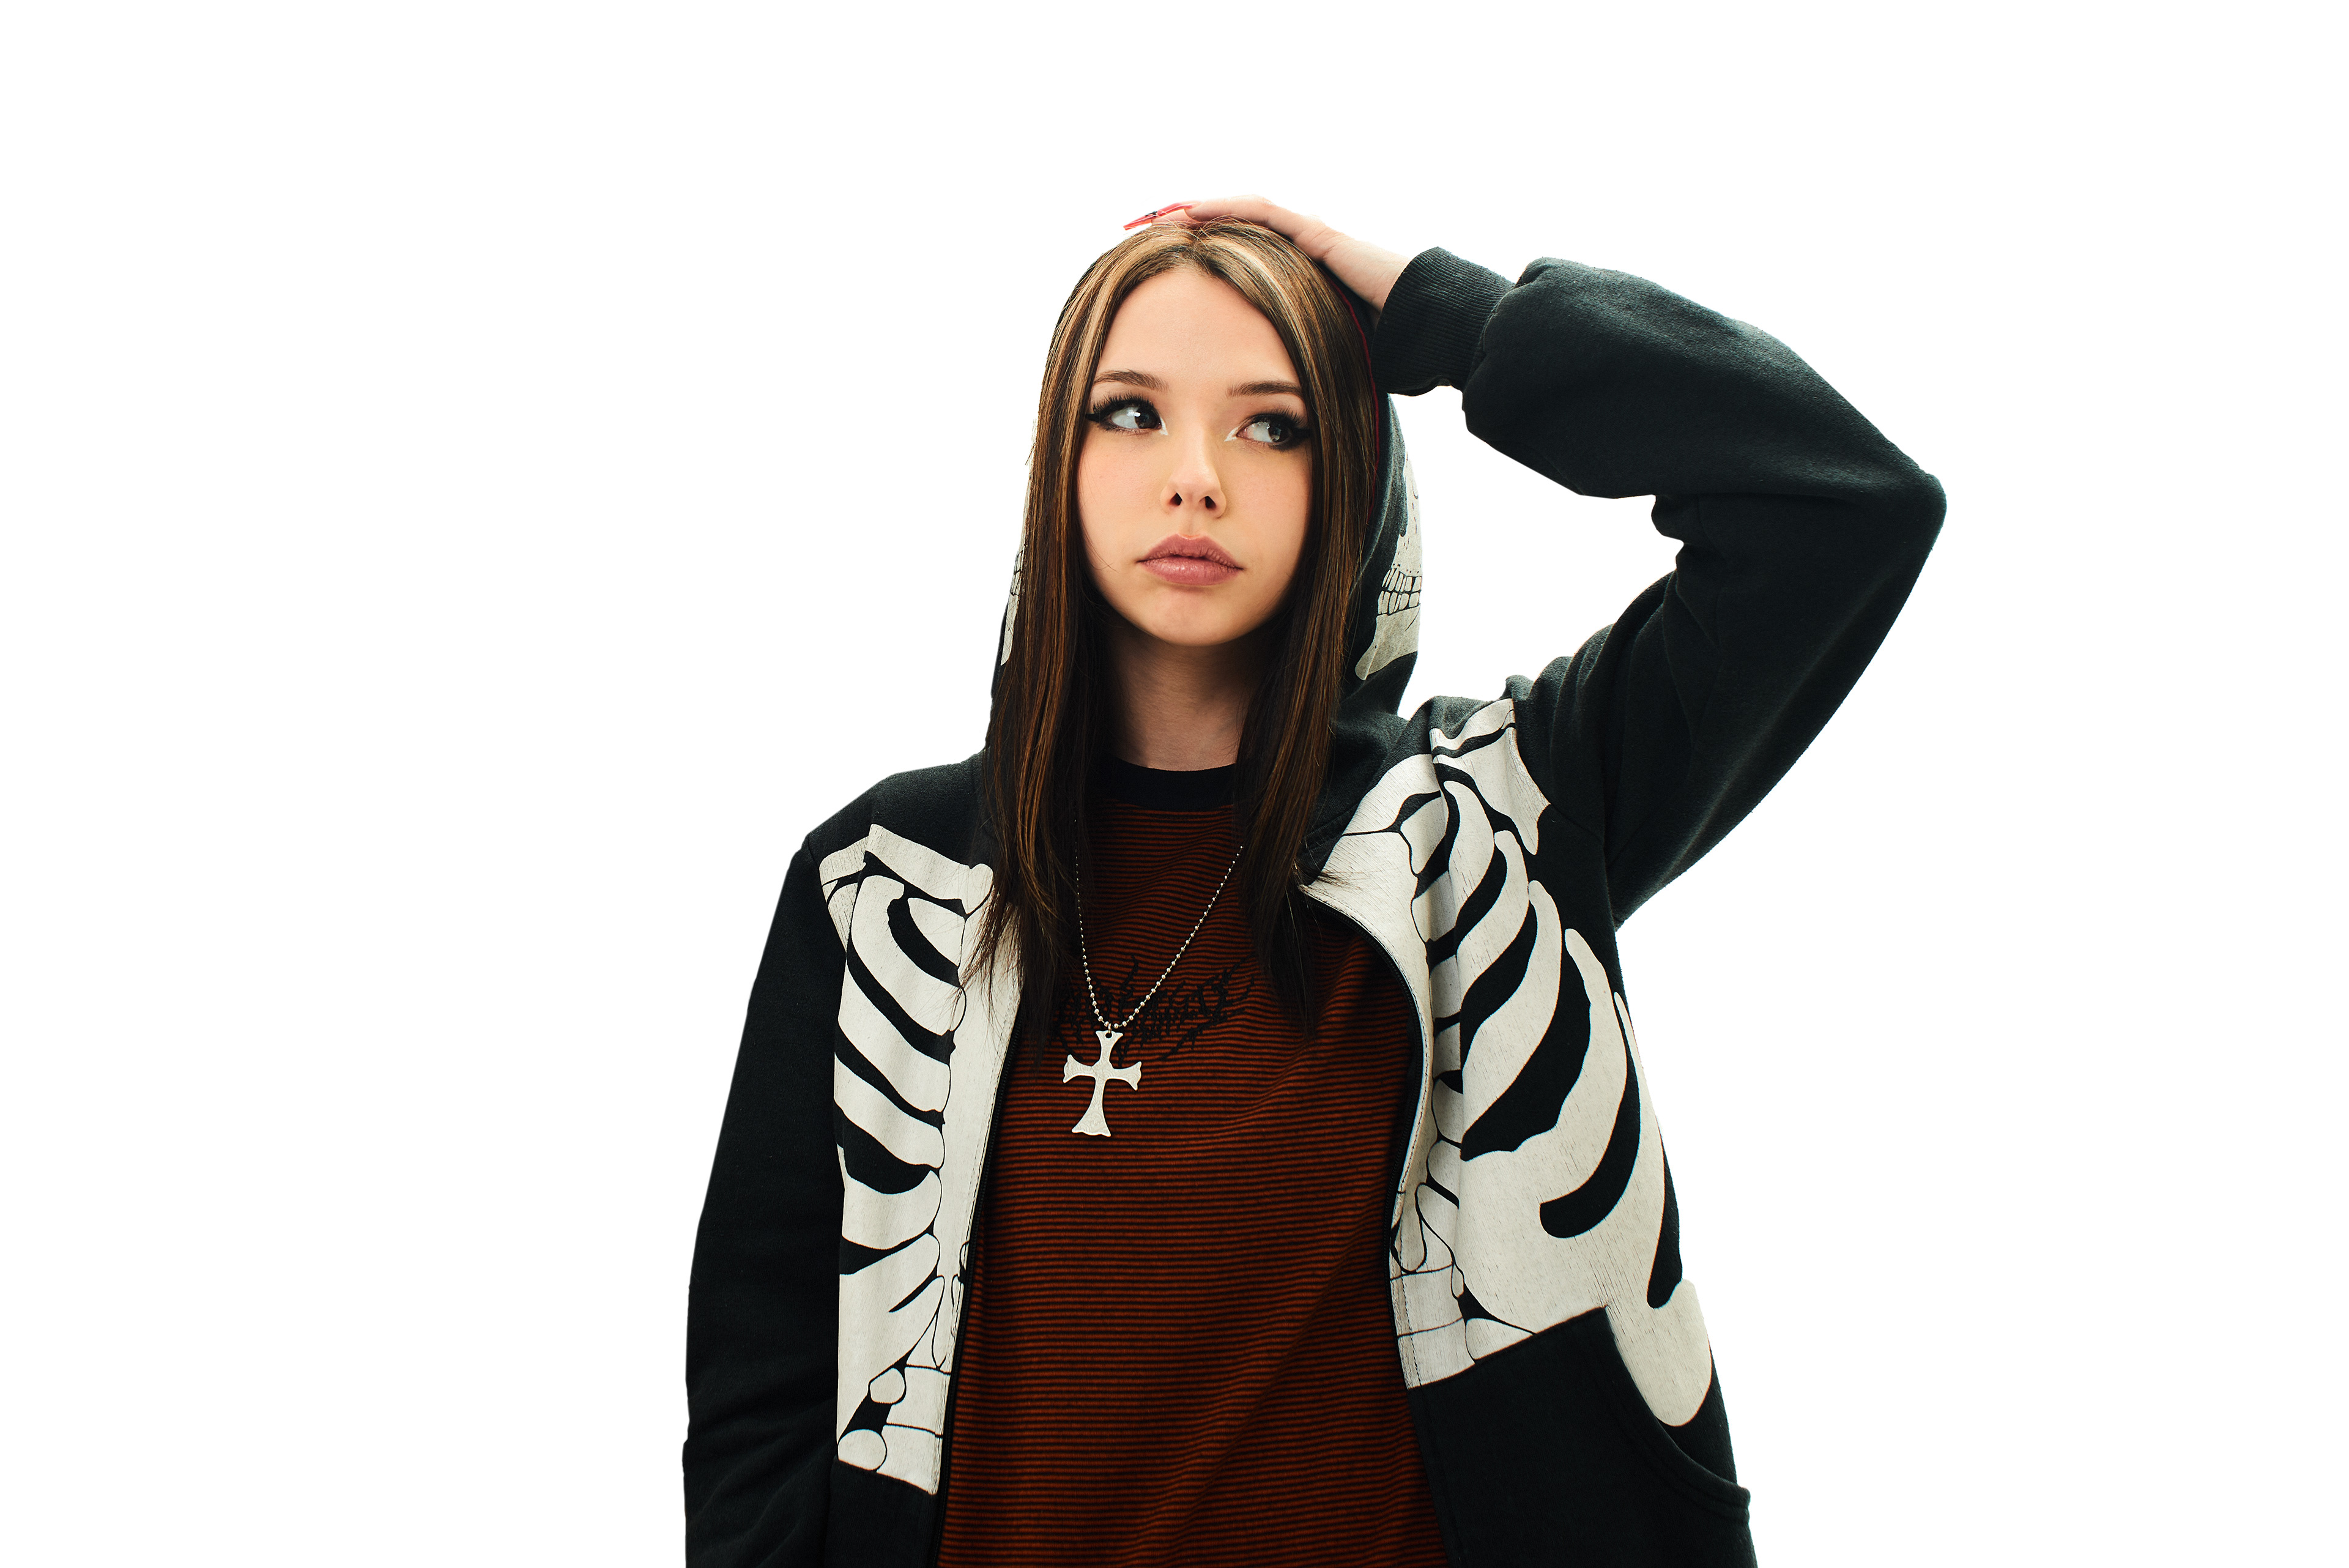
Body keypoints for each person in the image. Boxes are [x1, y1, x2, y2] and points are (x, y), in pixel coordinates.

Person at [683, 196, 1943, 1567]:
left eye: (1271, 424)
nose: (1196, 477)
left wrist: (1447, 320)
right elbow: (763, 1389)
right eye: (1130, 413)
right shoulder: (881, 884)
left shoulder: (1500, 818)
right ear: (1058, 462)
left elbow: (1841, 504)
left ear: (1347, 464)